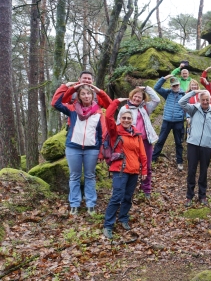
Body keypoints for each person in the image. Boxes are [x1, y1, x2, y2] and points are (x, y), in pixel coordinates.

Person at [53, 84, 110, 216]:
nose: (86, 96)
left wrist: (101, 150)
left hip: (92, 149)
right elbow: (55, 103)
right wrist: (67, 87)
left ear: (92, 96)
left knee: (90, 176)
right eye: (83, 94)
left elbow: (101, 133)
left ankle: (91, 204)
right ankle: (74, 204)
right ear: (78, 96)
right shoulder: (72, 109)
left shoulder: (98, 111)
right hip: (73, 148)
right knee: (74, 176)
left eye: (88, 93)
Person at [102, 98, 147, 239]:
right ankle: (108, 225)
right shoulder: (115, 131)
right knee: (117, 197)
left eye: (129, 118)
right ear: (120, 119)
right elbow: (108, 116)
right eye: (124, 118)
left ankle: (123, 218)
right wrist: (116, 102)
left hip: (133, 171)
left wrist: (144, 170)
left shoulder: (137, 134)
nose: (127, 120)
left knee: (128, 197)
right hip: (120, 170)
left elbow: (142, 154)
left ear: (132, 120)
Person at [178, 90, 211, 206]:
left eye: (207, 100)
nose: (205, 102)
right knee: (191, 171)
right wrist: (194, 92)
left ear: (210, 100)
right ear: (199, 100)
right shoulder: (194, 109)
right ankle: (189, 196)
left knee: (204, 172)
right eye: (203, 100)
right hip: (193, 144)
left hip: (207, 146)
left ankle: (202, 195)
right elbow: (181, 102)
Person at [117, 86, 160, 199]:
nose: (137, 99)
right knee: (132, 166)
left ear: (142, 99)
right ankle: (128, 188)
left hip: (146, 141)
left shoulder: (145, 107)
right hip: (131, 142)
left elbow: (157, 100)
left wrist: (146, 88)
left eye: (139, 97)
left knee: (148, 166)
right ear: (131, 96)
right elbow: (118, 125)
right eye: (135, 96)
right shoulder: (125, 108)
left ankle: (146, 189)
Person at [152, 75, 185, 170]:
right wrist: (165, 78)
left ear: (179, 84)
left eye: (176, 85)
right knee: (161, 140)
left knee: (178, 142)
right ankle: (153, 159)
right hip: (167, 121)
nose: (175, 87)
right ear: (171, 86)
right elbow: (156, 87)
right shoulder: (167, 93)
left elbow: (187, 107)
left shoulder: (183, 94)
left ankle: (179, 162)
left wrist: (186, 117)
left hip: (178, 122)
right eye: (173, 86)